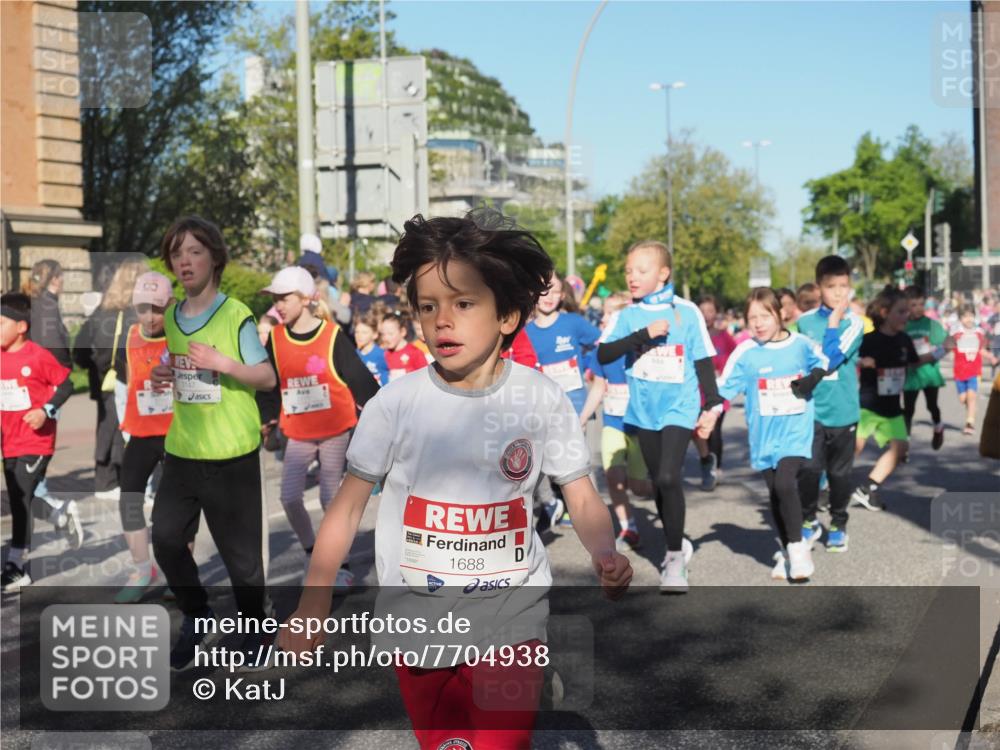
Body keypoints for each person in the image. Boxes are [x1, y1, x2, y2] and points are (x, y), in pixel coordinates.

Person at [277, 211, 632, 750]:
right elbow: (347, 509)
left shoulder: (539, 398)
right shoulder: (395, 404)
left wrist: (605, 551)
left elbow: (579, 491)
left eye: (463, 304)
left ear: (508, 314)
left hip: (511, 613)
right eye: (428, 307)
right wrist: (312, 603)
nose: (443, 320)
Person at [148, 216, 277, 671]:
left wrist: (224, 362)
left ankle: (255, 628)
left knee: (242, 560)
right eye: (177, 253)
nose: (184, 261)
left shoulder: (235, 314)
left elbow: (266, 377)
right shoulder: (171, 316)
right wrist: (164, 371)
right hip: (183, 448)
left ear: (214, 258)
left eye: (194, 251)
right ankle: (197, 615)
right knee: (164, 539)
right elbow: (176, 363)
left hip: (230, 453)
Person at [597, 240, 721, 593]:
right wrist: (641, 335)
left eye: (641, 270)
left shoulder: (686, 311)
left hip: (679, 407)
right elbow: (605, 353)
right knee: (657, 484)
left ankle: (674, 558)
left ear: (663, 273)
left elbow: (702, 358)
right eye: (628, 271)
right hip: (642, 411)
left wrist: (711, 402)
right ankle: (676, 542)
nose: (632, 277)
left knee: (668, 476)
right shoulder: (627, 315)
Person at [256, 266, 378, 589]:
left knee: (329, 496)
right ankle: (314, 551)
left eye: (285, 298)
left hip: (336, 428)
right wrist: (266, 418)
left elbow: (360, 379)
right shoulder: (276, 338)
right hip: (298, 432)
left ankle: (342, 563)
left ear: (307, 299)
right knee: (289, 497)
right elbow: (269, 385)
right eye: (275, 299)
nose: (279, 305)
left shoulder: (331, 335)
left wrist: (380, 412)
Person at [717, 288, 828, 581]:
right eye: (751, 317)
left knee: (784, 483)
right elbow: (724, 388)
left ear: (780, 314)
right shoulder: (745, 351)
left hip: (795, 431)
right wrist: (706, 412)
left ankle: (797, 549)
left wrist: (810, 379)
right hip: (763, 436)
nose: (758, 323)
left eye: (764, 315)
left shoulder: (801, 344)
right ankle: (788, 549)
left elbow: (823, 362)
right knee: (775, 493)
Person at [1, 293, 75, 592]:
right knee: (21, 498)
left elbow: (66, 384)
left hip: (36, 440)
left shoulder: (37, 356)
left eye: (0, 322)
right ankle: (60, 512)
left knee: (20, 501)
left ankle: (18, 565)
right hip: (9, 441)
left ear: (21, 327)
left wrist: (46, 411)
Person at [112, 272, 176, 603]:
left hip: (177, 434)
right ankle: (142, 568)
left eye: (156, 308)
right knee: (129, 499)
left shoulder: (180, 336)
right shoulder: (130, 336)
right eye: (142, 308)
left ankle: (181, 574)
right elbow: (124, 380)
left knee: (177, 509)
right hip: (141, 432)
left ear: (171, 305)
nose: (149, 317)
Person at [851, 286, 945, 511]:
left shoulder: (904, 339)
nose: (907, 316)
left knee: (900, 449)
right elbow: (849, 358)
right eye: (901, 312)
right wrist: (860, 362)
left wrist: (943, 351)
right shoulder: (869, 340)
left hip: (893, 406)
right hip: (868, 405)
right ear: (885, 313)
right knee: (852, 450)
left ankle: (869, 487)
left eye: (906, 311)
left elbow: (914, 361)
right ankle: (825, 487)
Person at [796, 256, 865, 553]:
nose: (838, 293)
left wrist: (834, 322)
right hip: (812, 410)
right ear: (819, 287)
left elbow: (831, 358)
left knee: (839, 475)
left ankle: (838, 523)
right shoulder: (804, 321)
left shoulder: (854, 323)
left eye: (844, 286)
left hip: (843, 412)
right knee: (809, 470)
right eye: (831, 286)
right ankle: (808, 519)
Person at [525, 272, 601, 528]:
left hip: (576, 403)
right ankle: (555, 502)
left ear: (563, 295)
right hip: (543, 406)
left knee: (579, 459)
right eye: (544, 291)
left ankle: (592, 514)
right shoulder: (526, 331)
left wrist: (592, 367)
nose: (549, 297)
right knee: (545, 457)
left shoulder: (573, 323)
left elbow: (600, 343)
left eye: (555, 291)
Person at [578, 292, 652, 551]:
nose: (603, 318)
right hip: (613, 424)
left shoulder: (641, 350)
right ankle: (628, 528)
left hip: (640, 428)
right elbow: (598, 388)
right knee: (613, 477)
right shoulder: (602, 352)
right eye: (604, 313)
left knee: (640, 488)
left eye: (610, 314)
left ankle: (656, 487)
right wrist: (582, 418)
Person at [73, 259, 148, 501]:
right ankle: (120, 482)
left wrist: (95, 366)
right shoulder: (135, 313)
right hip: (128, 377)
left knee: (107, 428)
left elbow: (80, 349)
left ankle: (104, 482)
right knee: (123, 429)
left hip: (102, 378)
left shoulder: (102, 310)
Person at [22, 259, 79, 540]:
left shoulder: (33, 302)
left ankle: (50, 506)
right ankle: (57, 509)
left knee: (29, 457)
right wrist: (66, 370)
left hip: (29, 387)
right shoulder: (46, 305)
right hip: (43, 389)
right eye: (62, 276)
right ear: (55, 279)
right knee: (33, 456)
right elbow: (55, 347)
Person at [693, 293, 737, 490]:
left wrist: (722, 371)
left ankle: (716, 467)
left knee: (716, 431)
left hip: (718, 391)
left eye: (710, 311)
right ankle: (706, 463)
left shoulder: (724, 336)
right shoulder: (692, 336)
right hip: (697, 392)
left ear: (716, 313)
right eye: (702, 311)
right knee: (702, 432)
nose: (706, 315)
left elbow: (735, 359)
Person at [902, 285, 947, 451]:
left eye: (921, 304)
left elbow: (948, 344)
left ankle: (938, 427)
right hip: (911, 375)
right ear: (906, 306)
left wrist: (931, 356)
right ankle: (904, 445)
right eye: (913, 305)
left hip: (929, 373)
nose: (918, 308)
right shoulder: (903, 325)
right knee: (908, 410)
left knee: (931, 405)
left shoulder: (931, 324)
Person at [948, 304, 997, 435]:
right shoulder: (956, 335)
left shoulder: (978, 334)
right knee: (963, 399)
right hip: (959, 372)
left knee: (971, 396)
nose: (968, 319)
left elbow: (981, 350)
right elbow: (947, 348)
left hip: (974, 372)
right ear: (960, 319)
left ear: (975, 317)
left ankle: (969, 424)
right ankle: (972, 407)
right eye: (965, 317)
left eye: (971, 316)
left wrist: (991, 357)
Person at [379, 309, 429, 381]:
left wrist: (405, 372)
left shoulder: (415, 352)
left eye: (390, 334)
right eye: (383, 334)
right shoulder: (386, 354)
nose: (386, 338)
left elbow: (425, 376)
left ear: (402, 332)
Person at [352, 309, 389, 386]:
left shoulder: (383, 355)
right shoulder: (353, 355)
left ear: (375, 335)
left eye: (364, 332)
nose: (359, 336)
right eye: (357, 332)